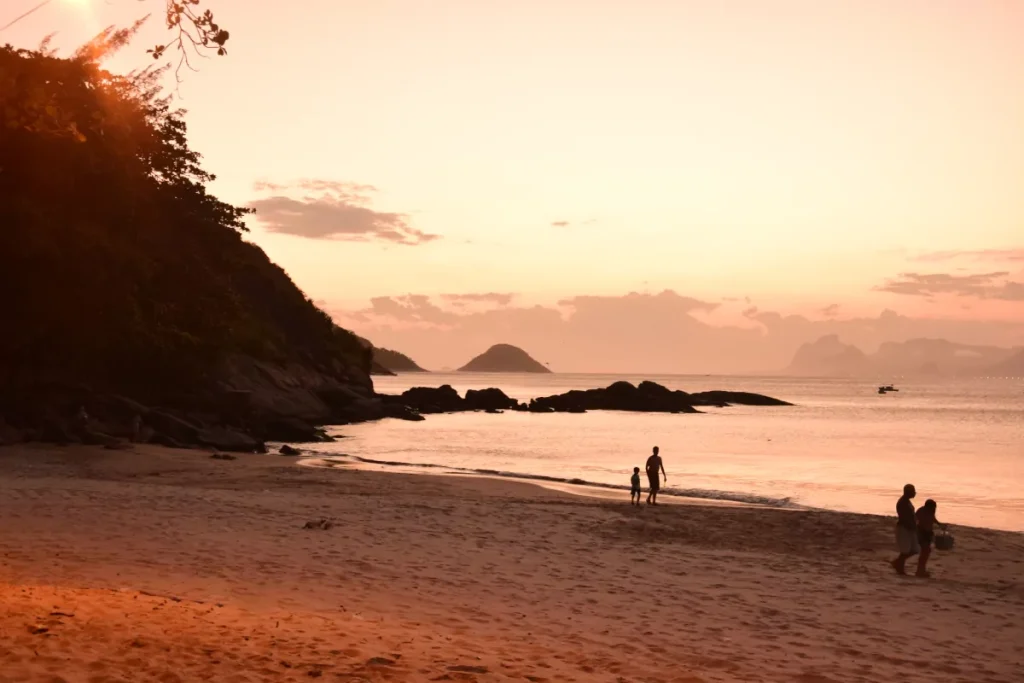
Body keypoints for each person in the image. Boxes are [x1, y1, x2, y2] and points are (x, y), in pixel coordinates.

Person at [891, 483, 919, 575]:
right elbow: (904, 517)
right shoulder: (903, 502)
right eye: (913, 491)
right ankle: (900, 567)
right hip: (904, 528)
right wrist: (911, 526)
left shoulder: (906, 501)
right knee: (905, 550)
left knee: (914, 549)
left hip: (910, 528)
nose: (915, 493)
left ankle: (897, 562)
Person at [915, 499, 943, 578]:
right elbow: (915, 519)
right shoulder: (921, 511)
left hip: (928, 533)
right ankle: (920, 571)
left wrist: (939, 524)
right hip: (922, 533)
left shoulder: (931, 511)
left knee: (926, 552)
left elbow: (933, 519)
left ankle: (921, 570)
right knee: (925, 552)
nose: (934, 509)